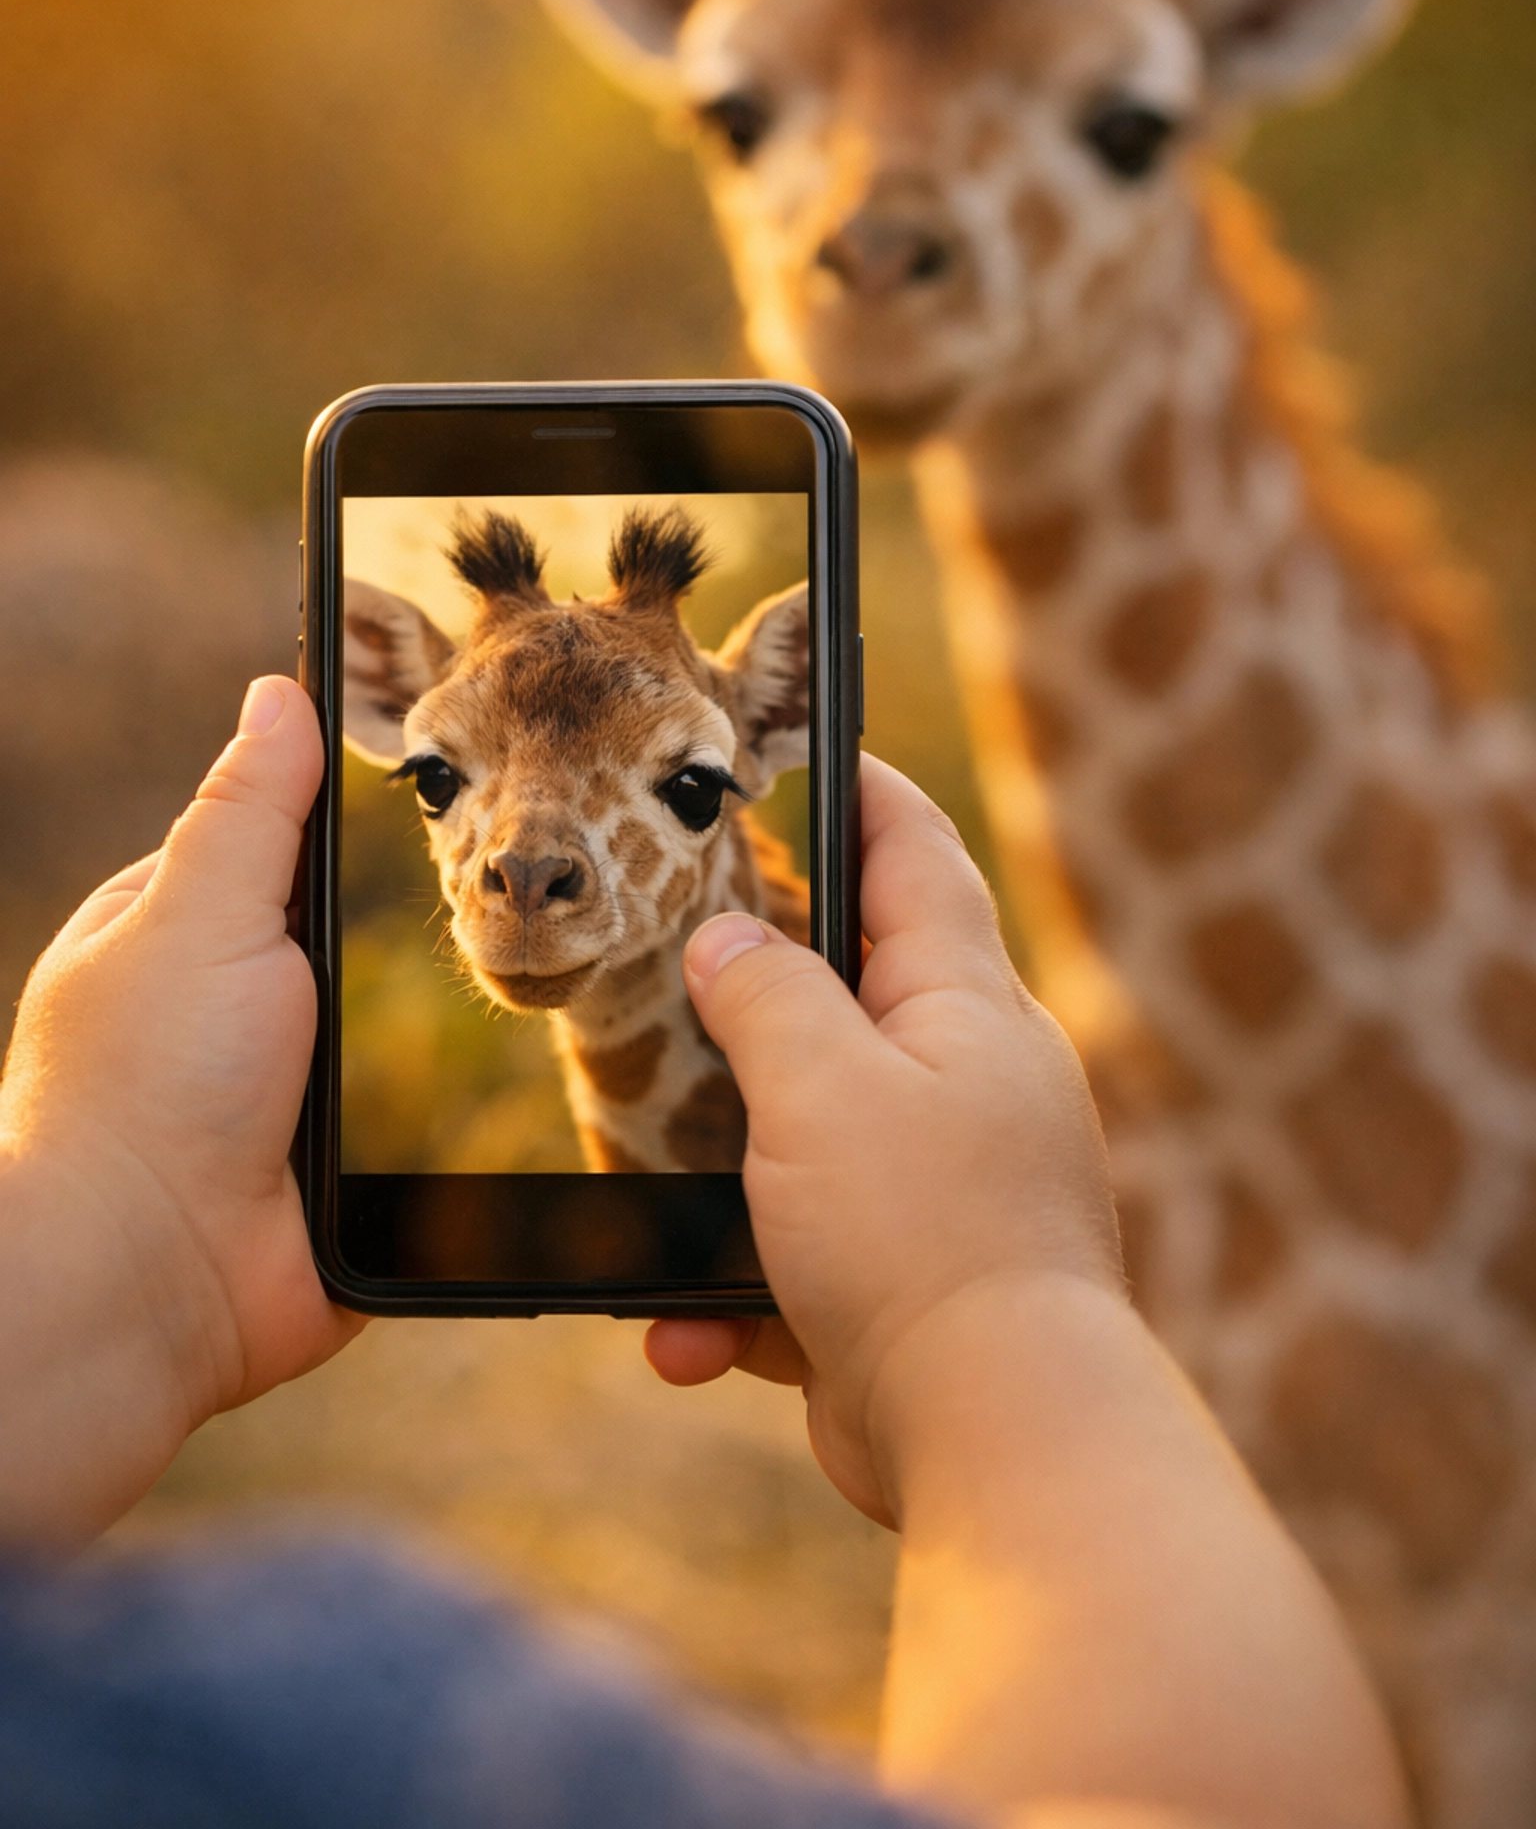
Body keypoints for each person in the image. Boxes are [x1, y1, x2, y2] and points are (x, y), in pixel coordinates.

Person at [0, 674, 1409, 1829]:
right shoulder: (329, 1734)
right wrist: (988, 1313)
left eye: (684, 789)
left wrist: (117, 1219)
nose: (525, 859)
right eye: (441, 782)